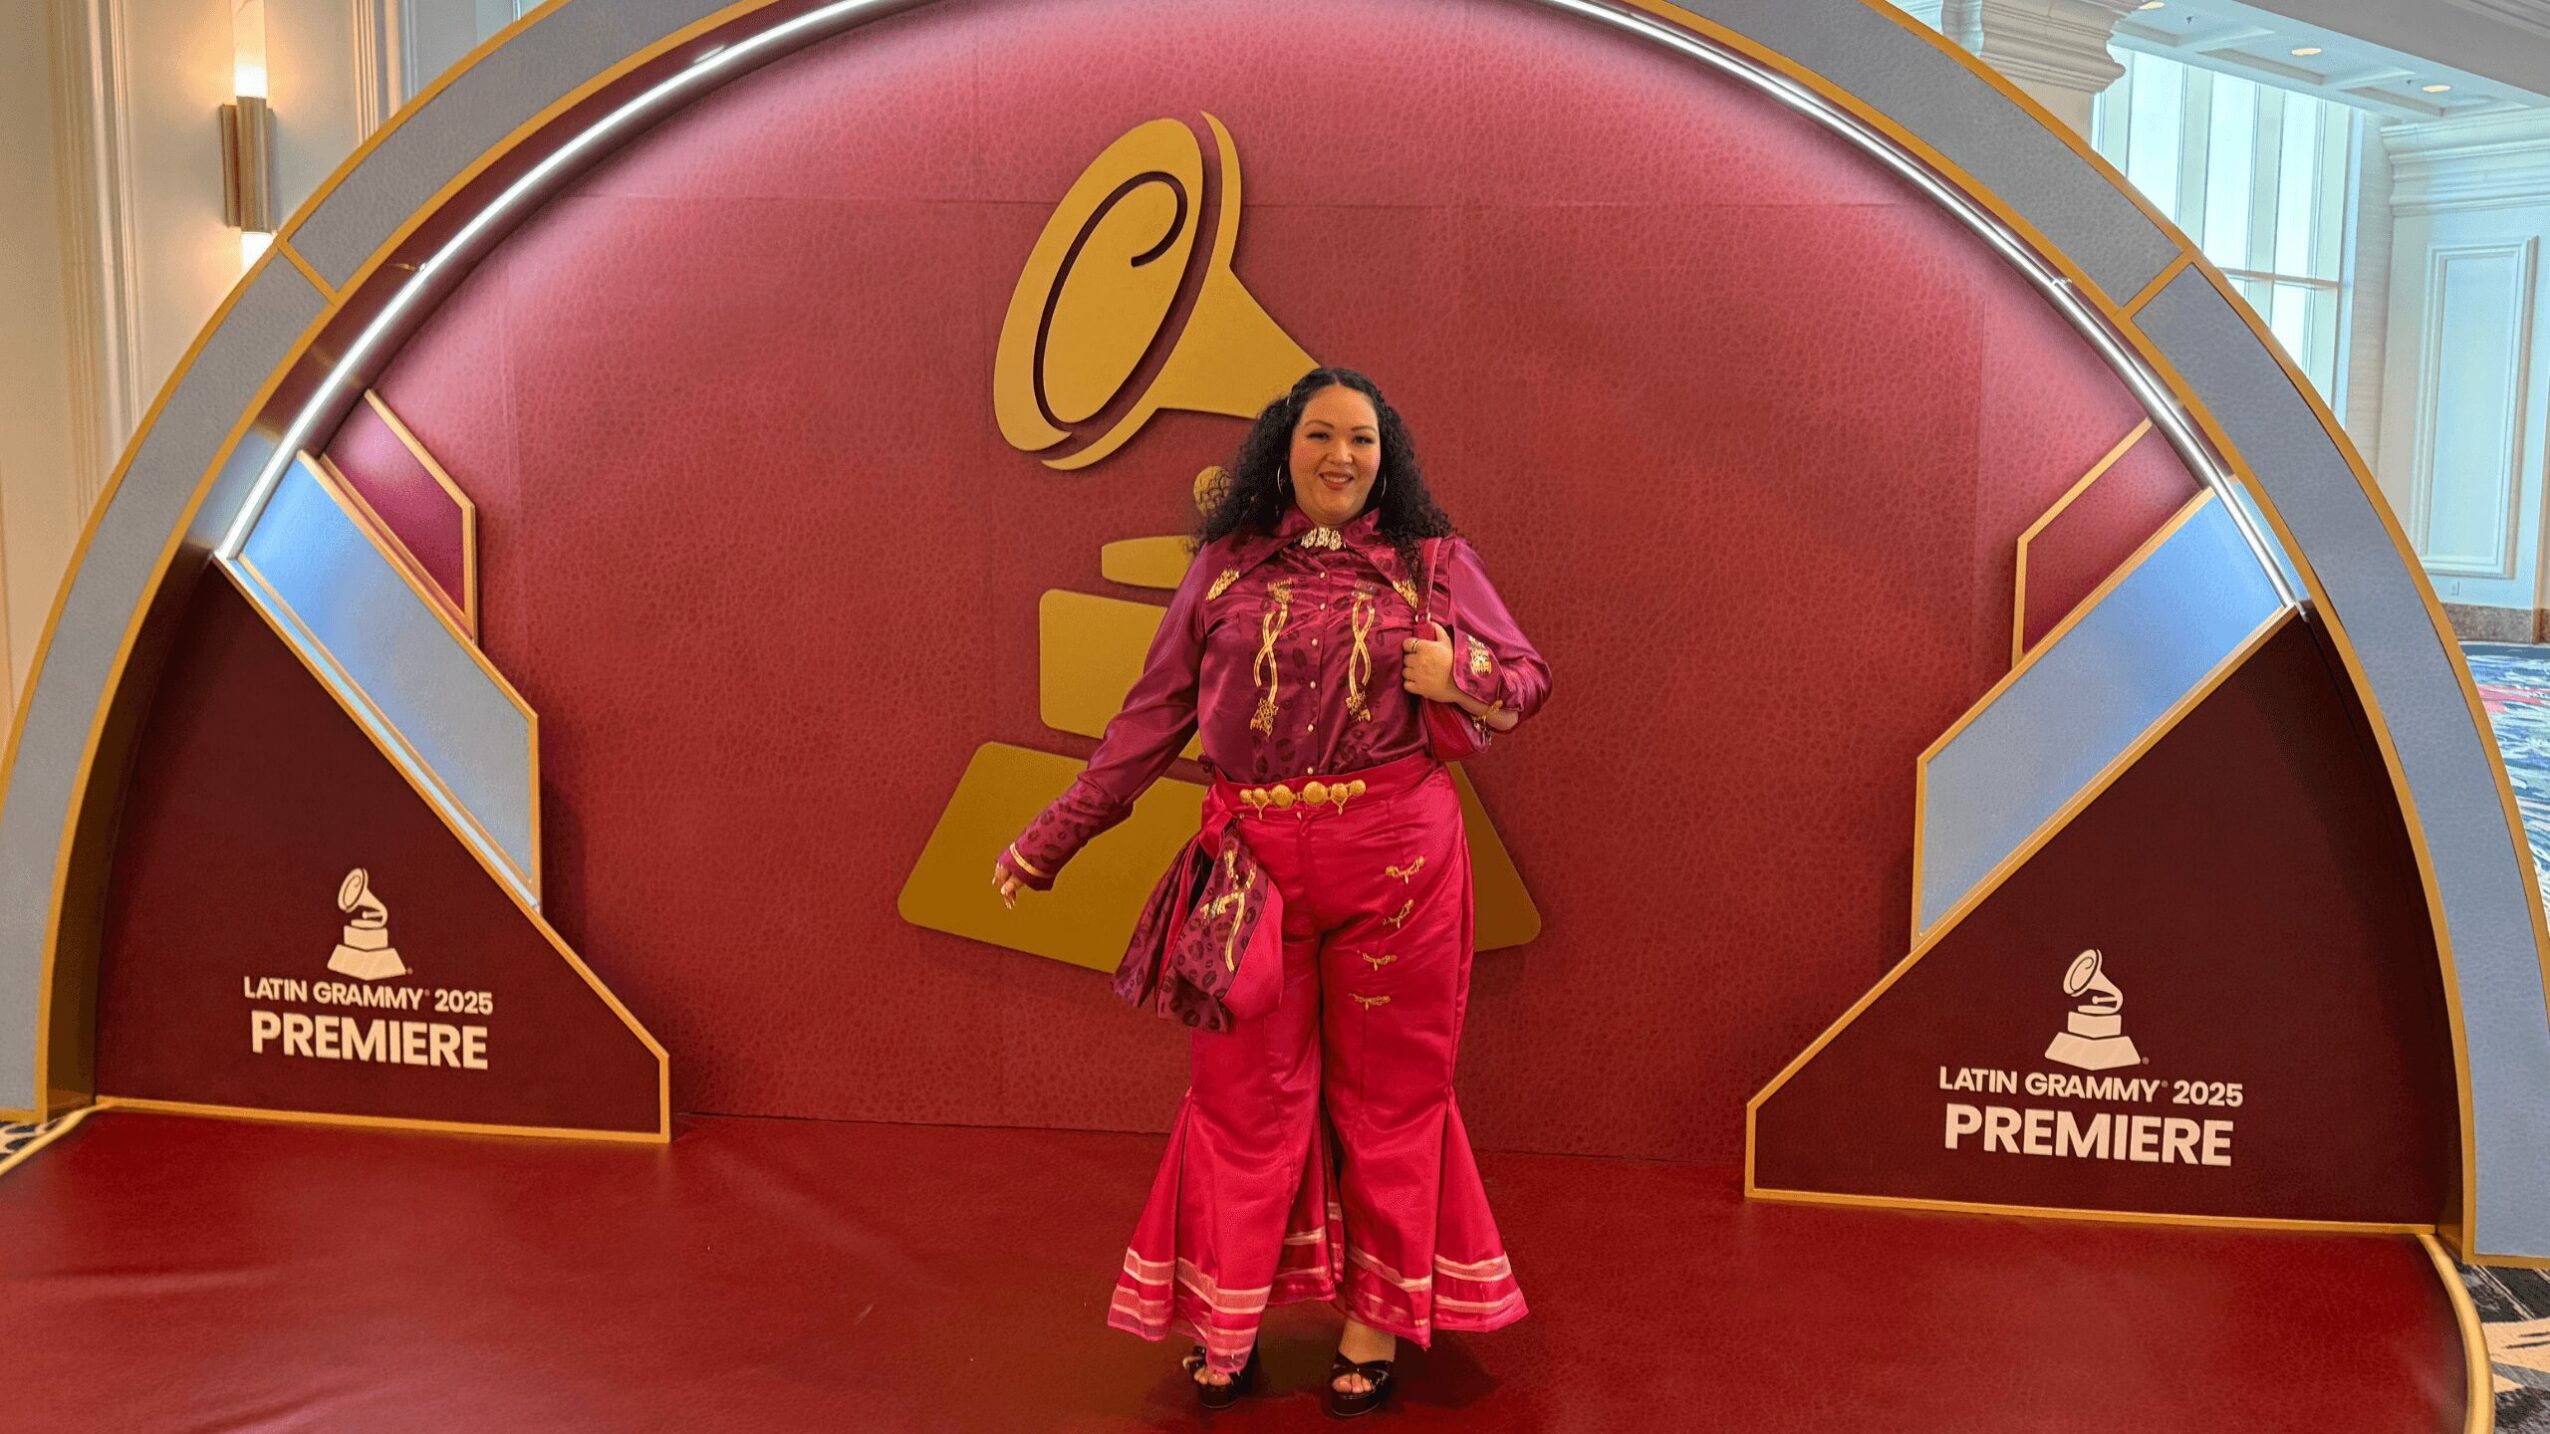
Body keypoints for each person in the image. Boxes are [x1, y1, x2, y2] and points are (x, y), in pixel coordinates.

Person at [992, 367, 1549, 1417]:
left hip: (1399, 862)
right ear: (1281, 447)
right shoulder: (1223, 568)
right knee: (1240, 1099)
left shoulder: (1431, 566)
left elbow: (1525, 677)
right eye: (1321, 436)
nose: (1343, 456)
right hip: (1250, 868)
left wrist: (1459, 672)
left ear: (1389, 460)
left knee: (1391, 1101)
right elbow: (1148, 721)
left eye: (1365, 441)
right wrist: (1046, 842)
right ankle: (1229, 1315)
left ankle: (1371, 1323)